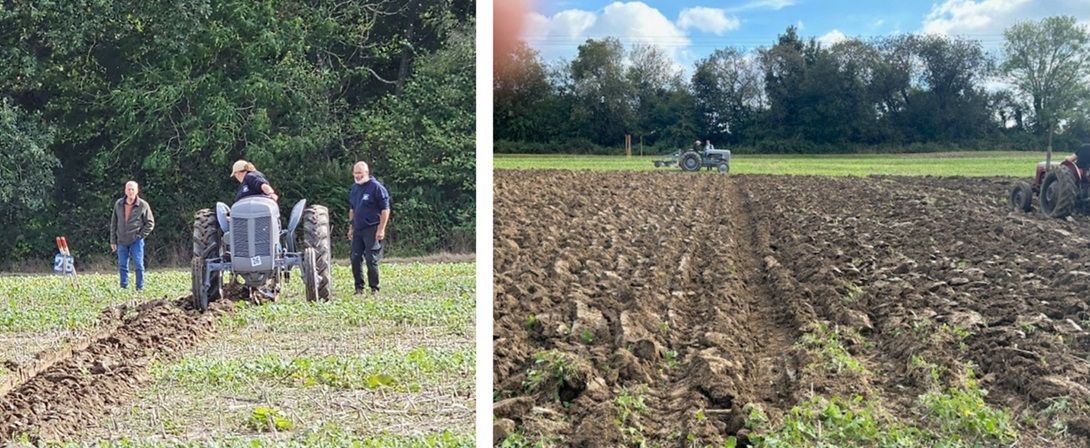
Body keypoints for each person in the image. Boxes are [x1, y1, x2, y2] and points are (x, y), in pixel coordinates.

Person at [347, 161, 390, 295]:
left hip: (372, 228)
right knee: (355, 258)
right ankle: (359, 288)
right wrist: (351, 227)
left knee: (371, 259)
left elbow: (385, 210)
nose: (357, 175)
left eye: (360, 173)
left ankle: (374, 288)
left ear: (367, 172)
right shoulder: (355, 188)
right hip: (358, 228)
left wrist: (381, 229)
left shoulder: (376, 188)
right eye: (355, 173)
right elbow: (352, 209)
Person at [110, 181, 155, 290]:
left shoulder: (143, 205)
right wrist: (113, 241)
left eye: (132, 189)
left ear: (137, 191)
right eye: (128, 189)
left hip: (136, 241)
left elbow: (150, 223)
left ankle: (140, 287)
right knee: (122, 265)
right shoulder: (118, 204)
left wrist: (140, 236)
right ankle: (123, 287)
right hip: (121, 240)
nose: (130, 191)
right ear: (125, 191)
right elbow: (114, 223)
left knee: (139, 265)